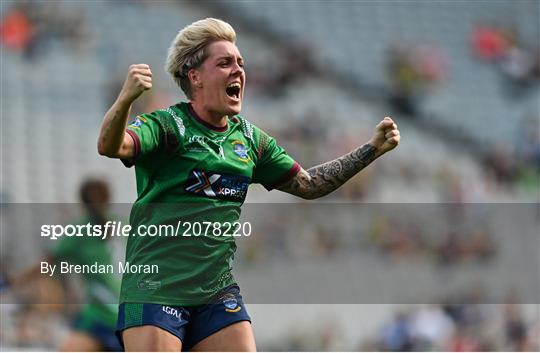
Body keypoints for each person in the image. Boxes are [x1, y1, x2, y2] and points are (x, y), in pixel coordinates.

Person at [97, 18, 400, 351]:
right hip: (155, 289)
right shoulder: (168, 126)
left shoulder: (252, 141)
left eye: (240, 63)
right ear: (194, 76)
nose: (238, 70)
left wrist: (371, 149)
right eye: (225, 62)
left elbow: (310, 185)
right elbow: (113, 146)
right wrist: (125, 99)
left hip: (216, 293)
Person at [11, 178, 122, 351]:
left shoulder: (81, 229)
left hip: (101, 313)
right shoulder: (125, 225)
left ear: (82, 201)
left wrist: (17, 281)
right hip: (130, 313)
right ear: (108, 198)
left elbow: (46, 263)